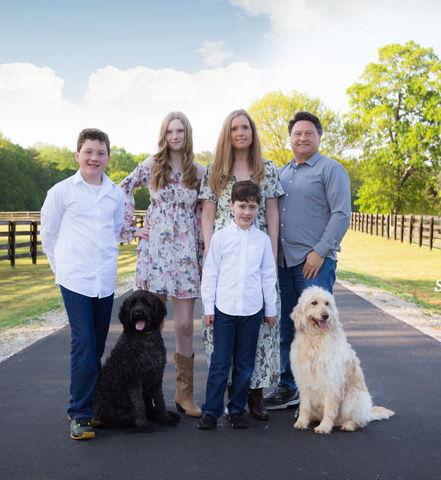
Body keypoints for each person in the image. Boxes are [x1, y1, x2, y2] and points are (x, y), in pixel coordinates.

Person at [199, 108, 284, 420]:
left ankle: (253, 395)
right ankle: (219, 399)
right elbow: (207, 214)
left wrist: (272, 253)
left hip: (258, 254)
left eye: (245, 127)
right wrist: (211, 253)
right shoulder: (215, 171)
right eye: (234, 128)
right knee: (222, 336)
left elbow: (272, 213)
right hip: (224, 253)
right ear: (228, 132)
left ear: (252, 132)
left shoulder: (267, 169)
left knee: (259, 330)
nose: (240, 133)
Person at [40, 128, 125, 441]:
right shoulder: (61, 192)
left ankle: (91, 405)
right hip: (74, 279)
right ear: (77, 155)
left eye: (100, 153)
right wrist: (60, 270)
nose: (94, 158)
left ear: (107, 157)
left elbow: (115, 229)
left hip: (104, 281)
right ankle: (79, 413)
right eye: (89, 152)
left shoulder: (115, 193)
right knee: (84, 342)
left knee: (98, 345)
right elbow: (48, 235)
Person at [119, 111, 205, 417]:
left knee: (183, 324)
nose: (175, 136)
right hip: (156, 252)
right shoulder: (151, 164)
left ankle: (185, 393)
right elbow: (123, 188)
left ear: (187, 133)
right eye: (170, 131)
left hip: (185, 254)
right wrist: (130, 229)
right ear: (164, 134)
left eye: (180, 130)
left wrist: (204, 249)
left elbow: (205, 211)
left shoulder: (199, 170)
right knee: (150, 324)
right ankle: (146, 395)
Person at [264, 110, 352, 411]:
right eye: (297, 133)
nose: (302, 138)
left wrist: (320, 251)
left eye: (308, 133)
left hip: (313, 263)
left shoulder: (331, 170)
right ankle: (290, 388)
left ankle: (327, 393)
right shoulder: (281, 173)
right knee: (290, 331)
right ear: (290, 138)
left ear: (318, 136)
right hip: (284, 264)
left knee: (320, 332)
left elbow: (341, 214)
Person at [198, 181, 278, 430]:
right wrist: (208, 308)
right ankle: (211, 411)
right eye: (242, 206)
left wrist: (271, 309)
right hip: (224, 310)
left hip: (252, 311)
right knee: (220, 363)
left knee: (245, 364)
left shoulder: (262, 240)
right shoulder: (221, 238)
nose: (246, 212)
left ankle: (236, 409)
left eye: (252, 207)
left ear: (259, 209)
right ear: (231, 206)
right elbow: (210, 274)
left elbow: (268, 275)